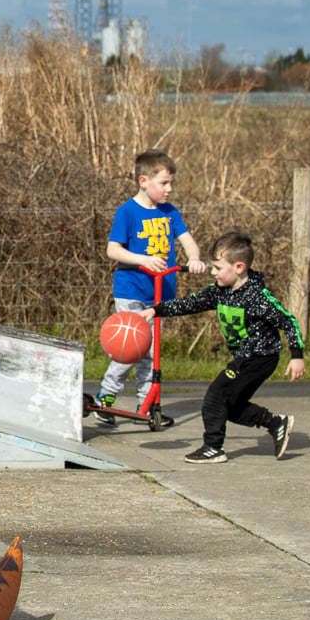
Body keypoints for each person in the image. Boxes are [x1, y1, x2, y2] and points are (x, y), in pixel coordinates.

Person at [137, 230, 305, 464]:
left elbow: (289, 321)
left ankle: (213, 447)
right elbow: (191, 303)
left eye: (217, 267)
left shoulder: (258, 297)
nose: (213, 272)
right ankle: (276, 423)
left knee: (215, 396)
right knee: (231, 406)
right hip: (245, 357)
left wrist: (297, 356)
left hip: (259, 357)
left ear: (238, 267)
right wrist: (157, 310)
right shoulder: (220, 292)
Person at [97, 149, 206, 423]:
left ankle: (145, 404)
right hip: (132, 291)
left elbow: (187, 240)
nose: (169, 189)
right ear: (143, 181)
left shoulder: (170, 212)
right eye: (164, 183)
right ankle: (106, 397)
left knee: (151, 353)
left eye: (171, 183)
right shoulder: (128, 212)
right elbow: (113, 249)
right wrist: (143, 259)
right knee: (130, 347)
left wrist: (194, 259)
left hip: (160, 296)